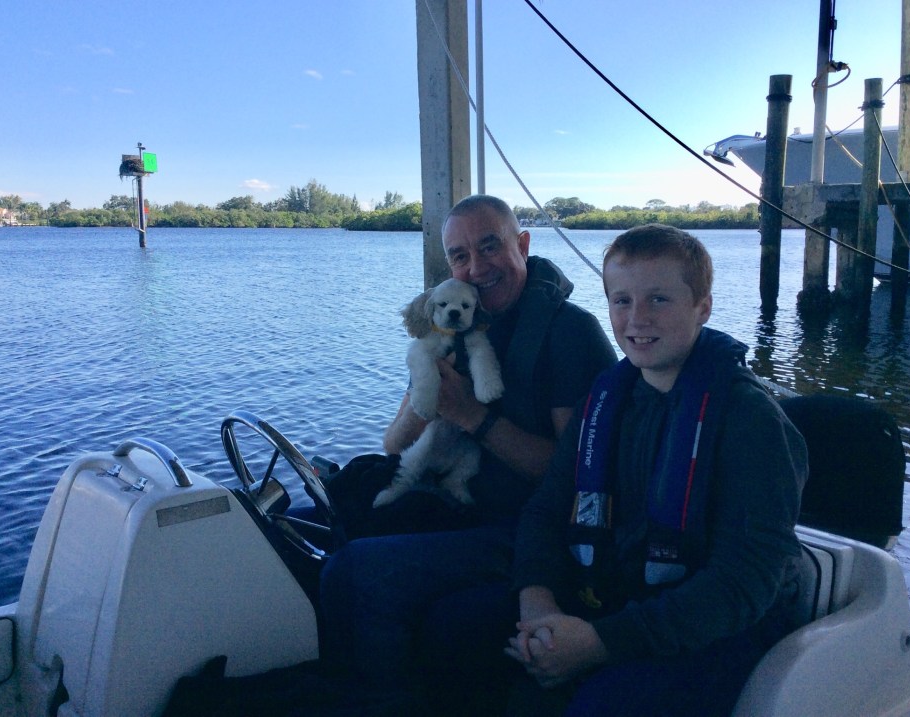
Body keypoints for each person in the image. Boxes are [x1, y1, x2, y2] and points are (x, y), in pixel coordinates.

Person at [317, 195, 617, 713]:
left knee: (359, 571)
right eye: (459, 256)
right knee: (320, 532)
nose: (475, 268)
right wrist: (430, 387)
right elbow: (394, 444)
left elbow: (576, 476)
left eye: (489, 246)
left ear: (522, 245)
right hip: (456, 502)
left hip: (527, 528)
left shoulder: (570, 333)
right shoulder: (454, 322)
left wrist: (471, 416)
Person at [503, 224, 809, 717]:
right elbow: (545, 510)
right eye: (621, 301)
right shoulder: (602, 405)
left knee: (604, 705)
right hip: (614, 598)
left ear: (702, 308)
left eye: (659, 299)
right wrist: (538, 606)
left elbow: (743, 583)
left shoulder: (751, 422)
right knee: (456, 632)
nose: (636, 319)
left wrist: (600, 643)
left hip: (716, 629)